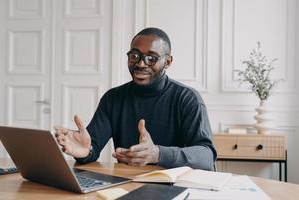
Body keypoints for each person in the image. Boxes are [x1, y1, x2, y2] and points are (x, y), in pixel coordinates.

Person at [55, 27, 217, 170]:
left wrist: (158, 154)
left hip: (176, 188)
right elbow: (91, 147)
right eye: (135, 56)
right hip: (126, 185)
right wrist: (85, 151)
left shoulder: (187, 98)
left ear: (167, 62)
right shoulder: (113, 98)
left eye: (151, 58)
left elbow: (206, 156)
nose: (140, 64)